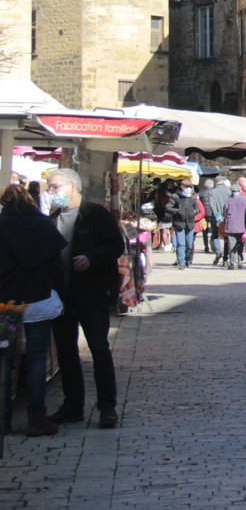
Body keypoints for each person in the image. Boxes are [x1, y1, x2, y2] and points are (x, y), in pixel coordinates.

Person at [46, 168, 123, 429]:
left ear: (72, 186)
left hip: (91, 294)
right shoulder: (53, 217)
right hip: (63, 296)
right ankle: (73, 405)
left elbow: (116, 246)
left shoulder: (94, 214)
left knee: (99, 350)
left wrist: (91, 258)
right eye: (49, 187)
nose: (51, 192)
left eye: (54, 187)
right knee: (66, 353)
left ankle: (107, 407)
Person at [0, 184, 66, 436]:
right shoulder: (42, 225)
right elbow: (55, 266)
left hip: (6, 300)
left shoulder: (1, 224)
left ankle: (3, 419)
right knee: (37, 358)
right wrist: (62, 294)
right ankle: (36, 419)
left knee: (5, 360)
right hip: (38, 297)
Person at [165, 181, 200, 270]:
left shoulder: (193, 197)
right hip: (179, 223)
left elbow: (197, 209)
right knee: (181, 244)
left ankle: (187, 259)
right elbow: (168, 207)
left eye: (190, 186)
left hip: (190, 223)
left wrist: (194, 212)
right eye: (186, 186)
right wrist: (177, 211)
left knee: (189, 244)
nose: (188, 188)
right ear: (181, 186)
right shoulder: (175, 196)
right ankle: (181, 262)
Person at [222, 184, 246, 269]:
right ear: (240, 191)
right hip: (241, 226)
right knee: (240, 244)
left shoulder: (228, 200)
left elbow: (225, 213)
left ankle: (233, 263)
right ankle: (240, 260)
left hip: (231, 225)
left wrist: (225, 219)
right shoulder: (244, 200)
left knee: (231, 245)